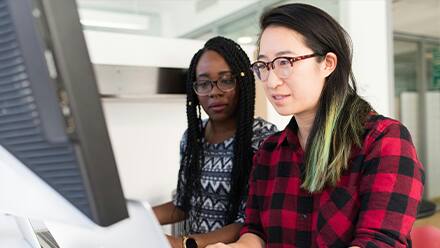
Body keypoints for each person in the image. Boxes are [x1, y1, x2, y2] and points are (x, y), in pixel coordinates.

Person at [207, 3, 424, 248]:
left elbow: (379, 241)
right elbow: (255, 231)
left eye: (285, 62)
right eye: (265, 65)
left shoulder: (384, 141)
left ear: (328, 63)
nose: (271, 81)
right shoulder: (269, 151)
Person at [153, 36, 277, 248]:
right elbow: (182, 204)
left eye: (226, 80)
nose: (214, 92)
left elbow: (250, 222)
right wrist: (136, 218)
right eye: (203, 83)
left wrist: (182, 243)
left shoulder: (264, 139)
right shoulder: (192, 137)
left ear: (242, 83)